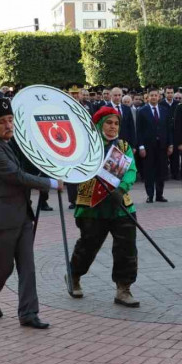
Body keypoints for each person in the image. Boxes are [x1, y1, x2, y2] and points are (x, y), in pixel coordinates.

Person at [0, 98, 62, 329]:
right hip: (2, 221)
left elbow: (24, 170)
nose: (8, 126)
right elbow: (18, 176)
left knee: (27, 267)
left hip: (22, 216)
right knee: (3, 268)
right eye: (2, 122)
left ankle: (28, 314)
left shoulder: (4, 143)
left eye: (10, 120)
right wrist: (51, 183)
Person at [68, 107, 140, 307]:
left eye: (116, 123)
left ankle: (123, 289)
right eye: (109, 122)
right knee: (88, 245)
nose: (112, 127)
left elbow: (131, 170)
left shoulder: (124, 146)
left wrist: (122, 189)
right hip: (93, 204)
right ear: (99, 124)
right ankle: (74, 275)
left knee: (127, 248)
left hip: (119, 203)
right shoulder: (87, 147)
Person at [137, 88, 173, 203]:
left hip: (162, 146)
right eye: (151, 95)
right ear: (148, 97)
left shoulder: (164, 110)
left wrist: (170, 144)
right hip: (148, 147)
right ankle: (150, 195)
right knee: (149, 171)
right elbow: (139, 130)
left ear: (159, 97)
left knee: (161, 171)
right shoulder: (142, 111)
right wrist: (141, 146)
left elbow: (169, 129)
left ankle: (159, 195)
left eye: (155, 95)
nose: (153, 97)